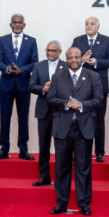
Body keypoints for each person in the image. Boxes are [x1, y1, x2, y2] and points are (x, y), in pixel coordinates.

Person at [48, 47, 104, 216]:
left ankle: (84, 203)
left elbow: (99, 99)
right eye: (70, 57)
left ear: (82, 58)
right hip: (62, 127)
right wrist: (66, 104)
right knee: (61, 167)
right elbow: (50, 99)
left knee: (83, 168)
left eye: (76, 57)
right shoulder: (57, 76)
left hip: (84, 128)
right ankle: (61, 203)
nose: (73, 60)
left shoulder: (93, 76)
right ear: (66, 59)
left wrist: (80, 105)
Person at [72, 17, 109, 162]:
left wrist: (97, 62)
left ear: (98, 26)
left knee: (99, 120)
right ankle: (80, 151)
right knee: (80, 118)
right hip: (81, 87)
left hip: (99, 87)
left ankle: (100, 152)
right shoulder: (78, 41)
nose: (89, 26)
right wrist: (83, 60)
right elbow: (72, 61)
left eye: (92, 24)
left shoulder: (107, 40)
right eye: (86, 24)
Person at [0, 14, 37, 160]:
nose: (17, 24)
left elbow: (34, 62)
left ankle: (23, 149)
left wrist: (23, 70)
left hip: (24, 84)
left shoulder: (31, 41)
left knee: (23, 118)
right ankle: (4, 148)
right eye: (14, 22)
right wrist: (7, 69)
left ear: (24, 25)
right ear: (10, 24)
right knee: (4, 117)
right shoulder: (3, 40)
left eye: (20, 22)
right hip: (6, 84)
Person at [30, 40, 65, 187]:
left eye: (53, 51)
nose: (50, 53)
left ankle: (60, 179)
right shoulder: (38, 65)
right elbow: (31, 86)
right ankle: (44, 177)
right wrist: (43, 89)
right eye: (48, 50)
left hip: (61, 112)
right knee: (43, 146)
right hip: (43, 110)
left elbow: (71, 86)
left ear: (60, 52)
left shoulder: (67, 65)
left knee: (60, 147)